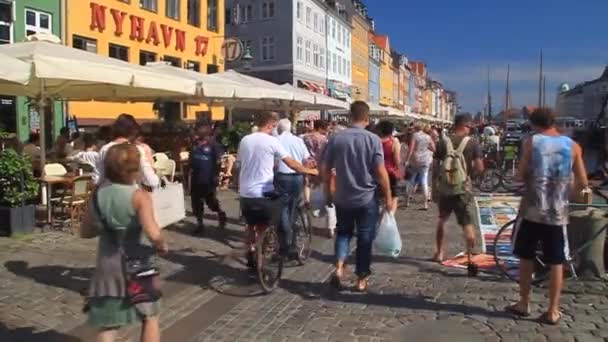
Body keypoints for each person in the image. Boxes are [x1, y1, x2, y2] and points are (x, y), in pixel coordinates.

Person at [506, 108, 588, 325]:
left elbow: (520, 174)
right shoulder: (573, 146)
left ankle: (523, 302)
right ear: (554, 122)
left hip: (532, 209)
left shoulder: (532, 142)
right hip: (558, 212)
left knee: (526, 256)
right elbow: (583, 182)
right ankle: (553, 310)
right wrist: (565, 190)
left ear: (534, 124)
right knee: (556, 261)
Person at [86, 143, 168, 342]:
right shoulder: (139, 196)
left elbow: (85, 231)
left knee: (108, 324)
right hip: (139, 265)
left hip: (107, 266)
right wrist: (162, 245)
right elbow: (152, 232)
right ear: (134, 168)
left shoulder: (97, 195)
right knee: (150, 316)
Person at [323, 101, 393, 292]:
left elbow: (326, 169)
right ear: (367, 118)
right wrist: (388, 196)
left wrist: (327, 193)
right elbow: (380, 171)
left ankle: (338, 269)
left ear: (349, 116)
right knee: (364, 237)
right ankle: (361, 279)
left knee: (343, 233)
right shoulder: (373, 139)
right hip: (366, 197)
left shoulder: (336, 139)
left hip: (343, 196)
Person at [238, 112, 317, 266]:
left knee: (250, 224)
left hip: (245, 191)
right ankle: (269, 247)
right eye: (274, 126)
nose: (275, 129)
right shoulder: (272, 141)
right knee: (270, 219)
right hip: (263, 192)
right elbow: (291, 163)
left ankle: (251, 249)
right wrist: (310, 171)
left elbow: (240, 163)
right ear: (270, 125)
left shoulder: (245, 140)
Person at [432, 113, 483, 263]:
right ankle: (469, 256)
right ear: (465, 125)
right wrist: (469, 177)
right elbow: (480, 167)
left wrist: (434, 187)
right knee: (467, 222)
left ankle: (440, 252)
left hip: (445, 188)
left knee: (442, 220)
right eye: (470, 127)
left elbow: (435, 167)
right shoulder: (472, 143)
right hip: (463, 189)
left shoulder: (442, 142)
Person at [275, 118, 312, 257]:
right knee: (293, 206)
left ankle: (286, 238)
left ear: (279, 128)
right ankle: (291, 236)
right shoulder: (298, 140)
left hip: (281, 176)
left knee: (282, 207)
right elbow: (306, 159)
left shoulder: (276, 140)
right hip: (297, 176)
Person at [97, 114, 160, 189]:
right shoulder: (137, 149)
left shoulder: (104, 149)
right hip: (131, 196)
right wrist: (153, 168)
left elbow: (97, 179)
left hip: (107, 196)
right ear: (133, 132)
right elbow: (151, 181)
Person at [189, 120, 227, 233]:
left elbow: (219, 161)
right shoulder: (194, 144)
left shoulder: (214, 145)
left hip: (208, 179)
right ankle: (200, 224)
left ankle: (220, 213)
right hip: (196, 178)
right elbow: (191, 158)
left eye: (198, 129)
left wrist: (217, 175)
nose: (196, 131)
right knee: (196, 202)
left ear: (206, 131)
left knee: (211, 202)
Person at [406, 124, 435, 210]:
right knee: (424, 180)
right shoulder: (428, 137)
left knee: (412, 179)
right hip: (425, 160)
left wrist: (407, 159)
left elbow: (411, 149)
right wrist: (426, 148)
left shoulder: (415, 135)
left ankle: (407, 200)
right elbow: (434, 148)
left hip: (416, 159)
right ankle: (425, 203)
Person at [302, 120, 329, 207]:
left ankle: (307, 201)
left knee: (307, 183)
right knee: (322, 182)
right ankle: (322, 200)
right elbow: (325, 152)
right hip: (319, 162)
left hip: (308, 162)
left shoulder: (305, 137)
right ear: (320, 128)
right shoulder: (323, 138)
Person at [376, 121, 401, 214]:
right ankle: (390, 217)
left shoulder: (375, 141)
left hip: (377, 171)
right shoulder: (394, 142)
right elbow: (397, 159)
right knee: (394, 196)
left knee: (379, 196)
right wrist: (399, 171)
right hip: (390, 172)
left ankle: (379, 215)